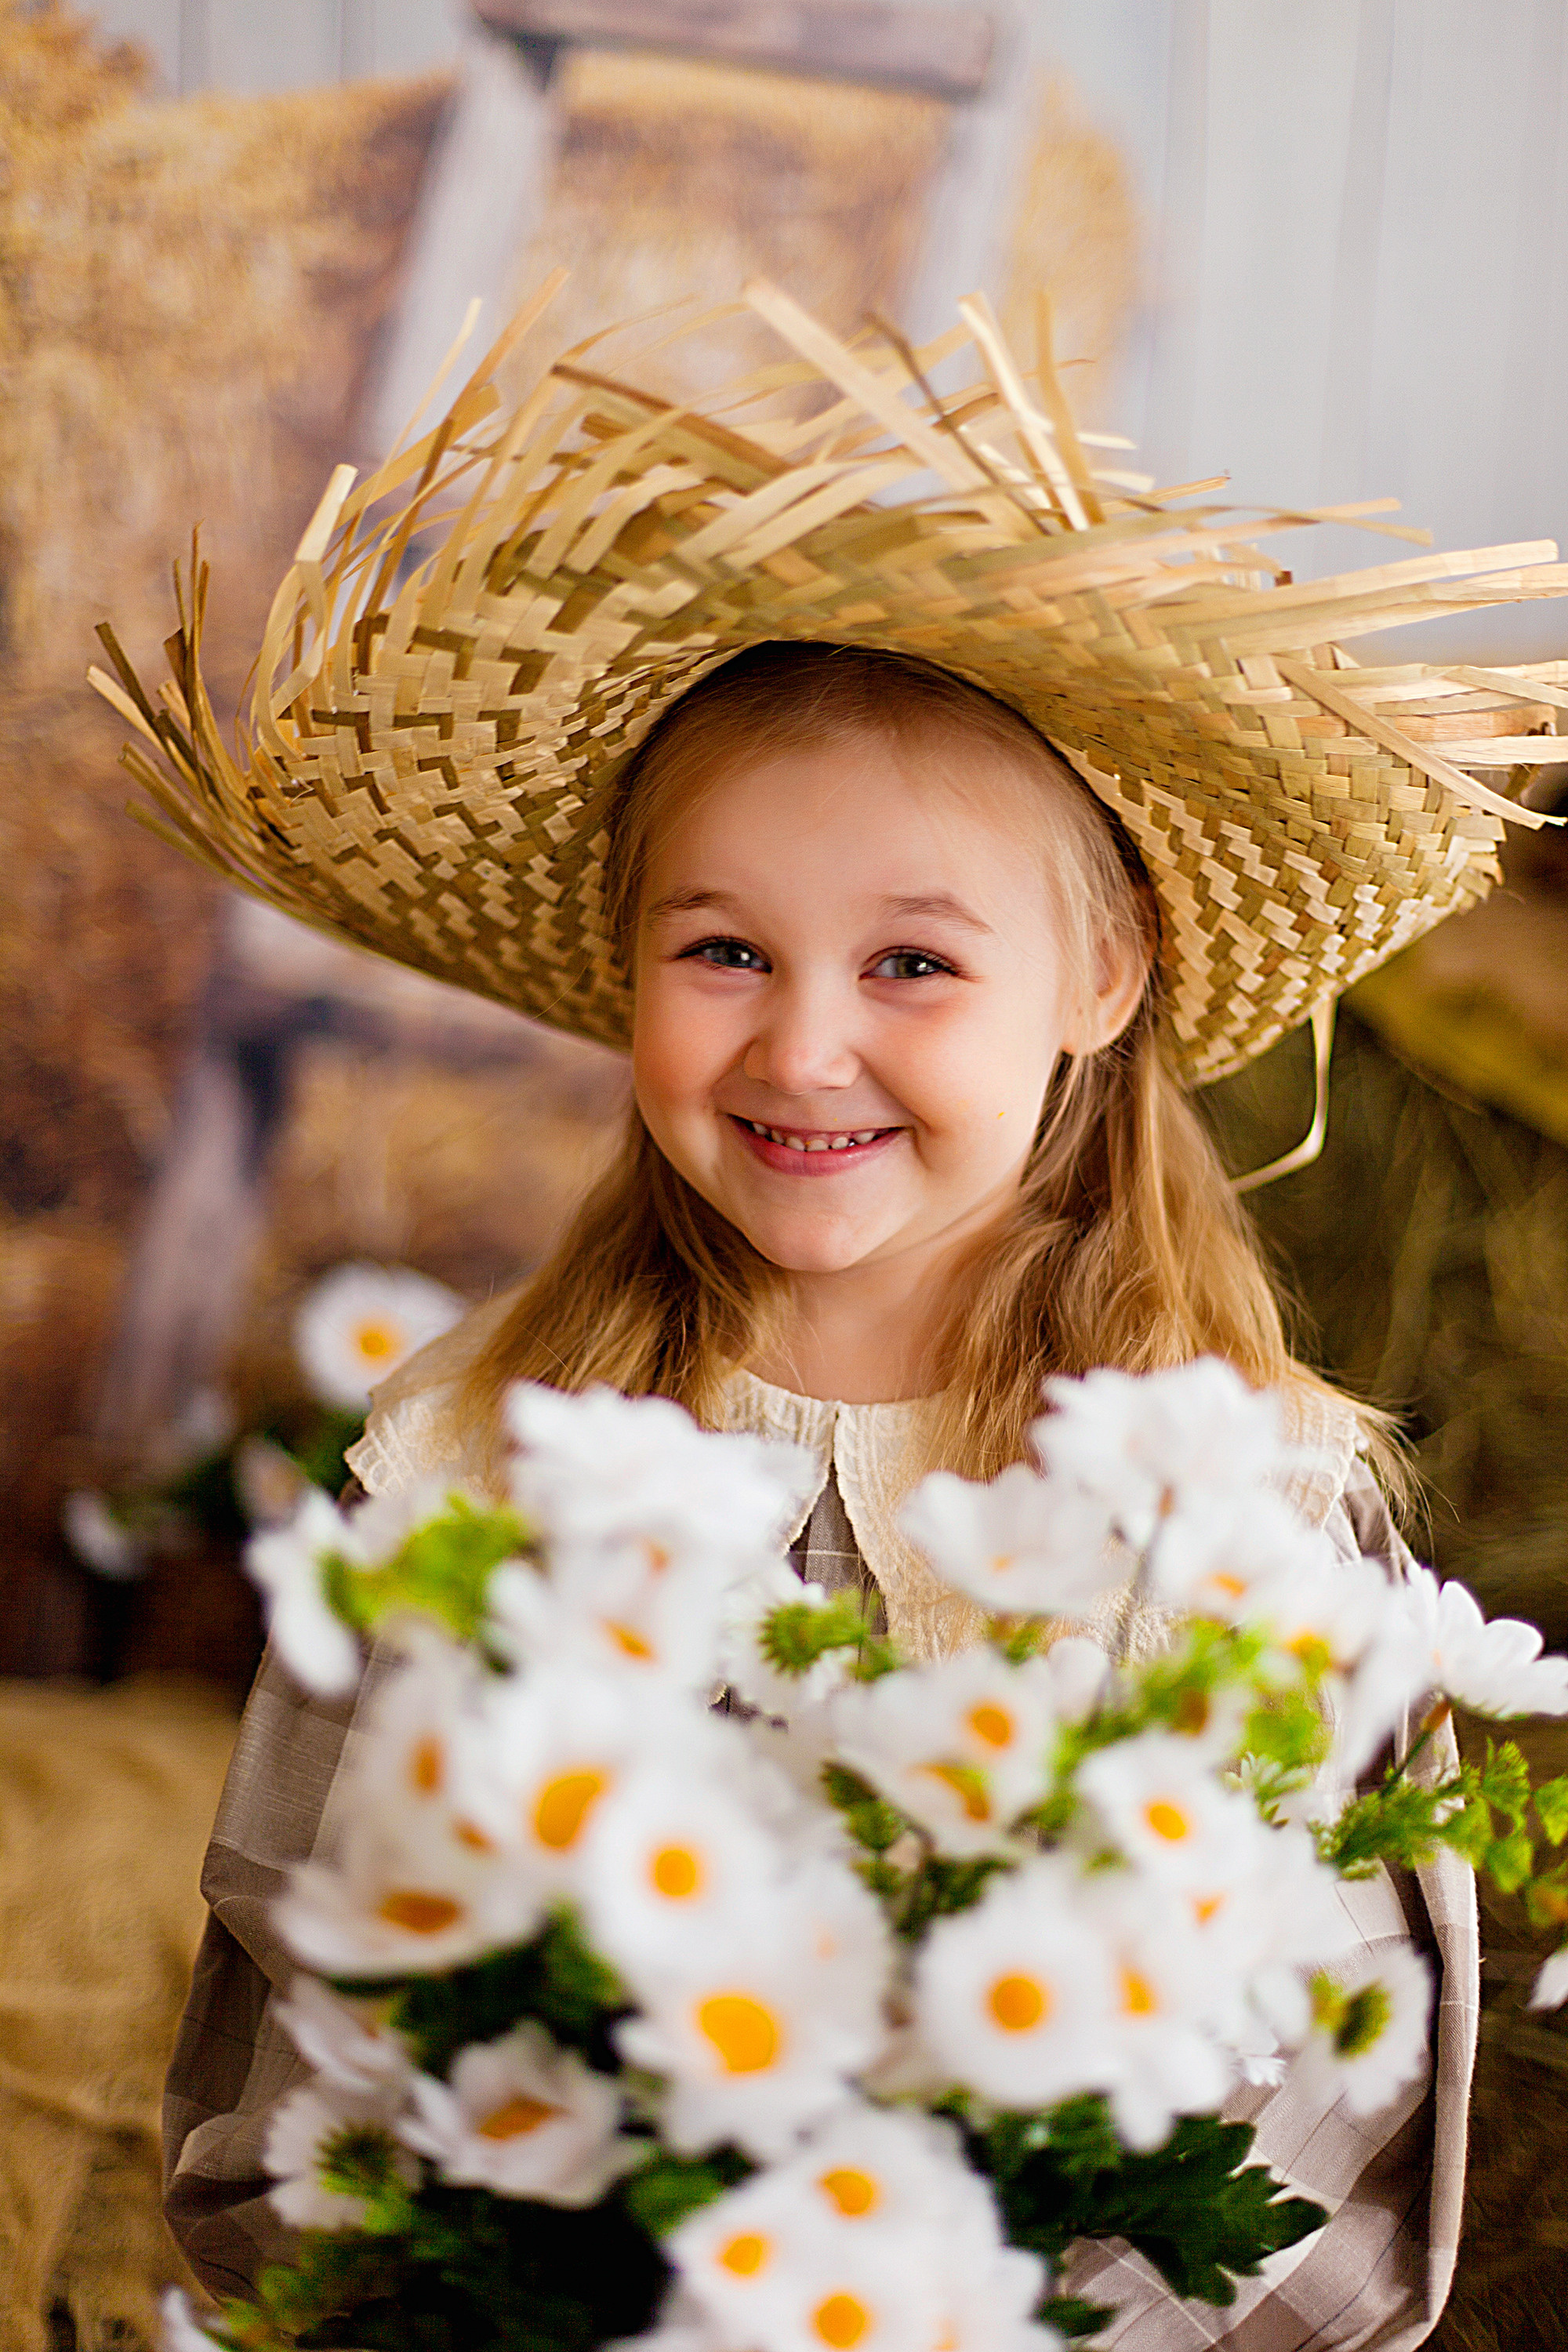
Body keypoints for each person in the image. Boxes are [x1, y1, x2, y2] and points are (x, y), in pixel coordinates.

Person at [120, 283, 1558, 2343]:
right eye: (724, 949)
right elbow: (308, 2014)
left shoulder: (1236, 1509)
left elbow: (1322, 2109)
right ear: (628, 963)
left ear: (1105, 978)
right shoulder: (481, 1471)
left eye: (910, 964)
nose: (804, 1049)